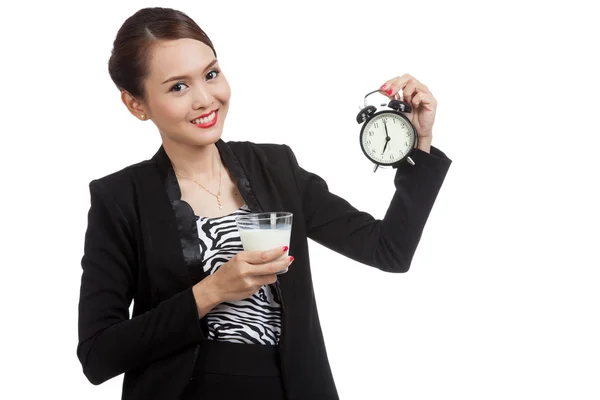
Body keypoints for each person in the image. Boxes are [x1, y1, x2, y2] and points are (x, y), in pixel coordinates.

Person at [76, 6, 452, 400]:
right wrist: (212, 291)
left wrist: (419, 144)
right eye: (178, 87)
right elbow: (98, 354)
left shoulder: (276, 168)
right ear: (136, 104)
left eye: (211, 74)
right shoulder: (120, 198)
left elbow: (388, 250)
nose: (206, 99)